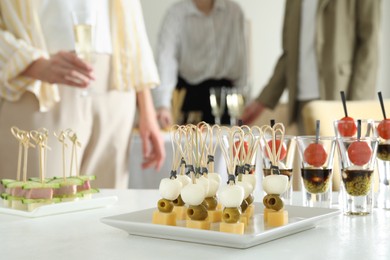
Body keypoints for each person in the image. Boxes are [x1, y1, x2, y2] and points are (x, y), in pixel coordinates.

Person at [0, 0, 165, 189]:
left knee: (107, 210)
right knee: (37, 208)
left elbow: (131, 18)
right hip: (40, 87)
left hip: (117, 86)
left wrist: (146, 106)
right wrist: (33, 64)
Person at [242, 0, 380, 134]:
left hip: (340, 98)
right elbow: (288, 55)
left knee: (343, 157)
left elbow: (369, 44)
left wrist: (357, 107)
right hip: (302, 103)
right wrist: (263, 100)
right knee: (306, 156)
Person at [152, 0, 247, 127]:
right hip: (190, 98)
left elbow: (241, 59)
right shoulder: (175, 14)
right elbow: (166, 59)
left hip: (226, 98)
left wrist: (243, 100)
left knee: (227, 144)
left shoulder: (234, 12)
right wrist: (163, 104)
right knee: (190, 145)